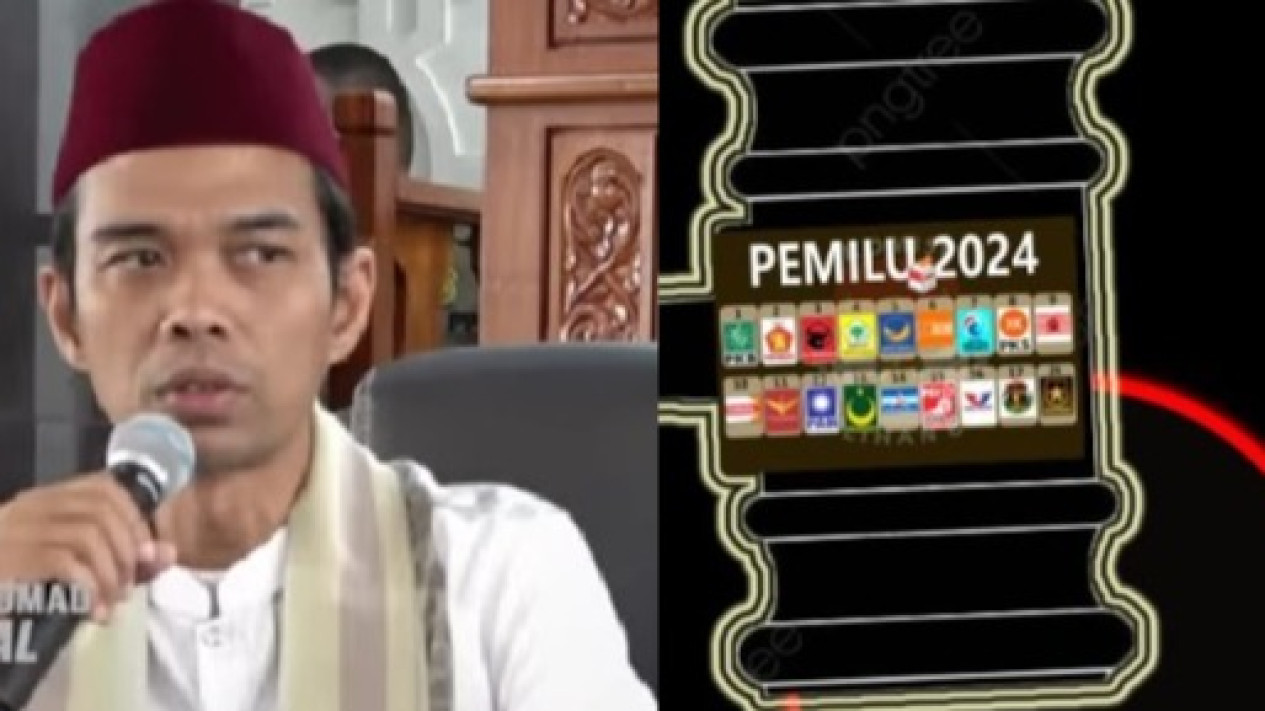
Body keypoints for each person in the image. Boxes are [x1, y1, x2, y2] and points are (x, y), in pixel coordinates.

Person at [0, 1, 656, 710]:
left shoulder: (499, 575)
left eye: (259, 253)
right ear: (65, 314)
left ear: (347, 302)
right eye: (139, 257)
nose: (195, 309)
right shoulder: (15, 590)